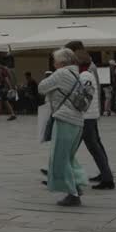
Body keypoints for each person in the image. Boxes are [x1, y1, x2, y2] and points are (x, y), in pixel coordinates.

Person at [39, 47, 90, 207]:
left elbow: (41, 87)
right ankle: (77, 185)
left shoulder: (61, 74)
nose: (53, 64)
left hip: (64, 119)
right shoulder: (77, 74)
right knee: (69, 157)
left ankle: (72, 194)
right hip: (78, 120)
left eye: (54, 61)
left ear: (61, 62)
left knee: (59, 158)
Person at [65, 43, 114, 190]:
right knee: (93, 146)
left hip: (86, 116)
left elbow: (84, 97)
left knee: (86, 147)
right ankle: (106, 175)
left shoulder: (85, 74)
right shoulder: (87, 71)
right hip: (89, 115)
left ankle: (107, 178)